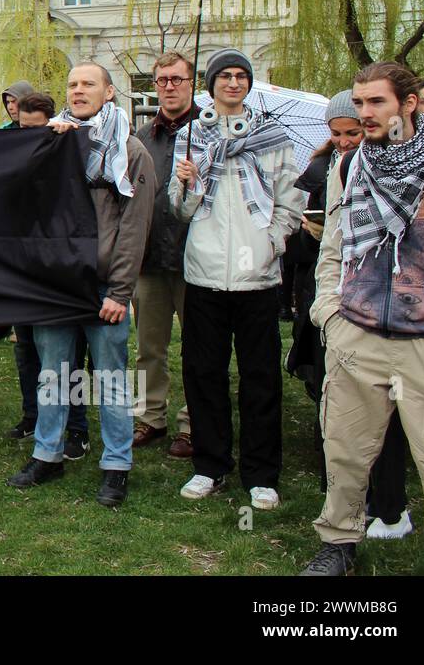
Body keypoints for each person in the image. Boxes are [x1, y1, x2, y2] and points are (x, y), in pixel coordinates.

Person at [302, 62, 424, 575]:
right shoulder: (352, 164)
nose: (364, 114)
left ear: (408, 104)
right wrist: (328, 310)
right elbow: (335, 245)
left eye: (376, 103)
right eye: (359, 103)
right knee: (342, 452)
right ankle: (338, 543)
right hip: (356, 332)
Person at [8, 64, 155, 507]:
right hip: (55, 283)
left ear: (109, 93)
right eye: (72, 84)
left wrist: (121, 291)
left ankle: (116, 465)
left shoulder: (130, 152)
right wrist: (44, 146)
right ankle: (48, 454)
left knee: (109, 378)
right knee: (53, 373)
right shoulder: (53, 145)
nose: (79, 90)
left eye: (89, 83)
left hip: (104, 286)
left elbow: (134, 227)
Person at [170, 49, 302, 510]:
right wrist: (187, 182)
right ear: (210, 85)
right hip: (204, 273)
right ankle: (210, 465)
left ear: (249, 84)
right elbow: (180, 209)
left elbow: (290, 200)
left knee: (260, 375)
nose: (232, 83)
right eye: (223, 76)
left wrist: (273, 242)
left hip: (258, 277)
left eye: (240, 76)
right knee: (204, 373)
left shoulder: (272, 136)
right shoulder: (192, 134)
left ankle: (262, 474)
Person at [0, 91, 91, 451]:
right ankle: (32, 415)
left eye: (36, 129)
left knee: (70, 351)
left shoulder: (68, 145)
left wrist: (63, 139)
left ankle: (78, 427)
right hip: (24, 263)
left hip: (61, 263)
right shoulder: (10, 149)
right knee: (26, 347)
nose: (29, 134)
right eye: (23, 128)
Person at [132, 52, 196, 458]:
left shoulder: (208, 131)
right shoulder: (141, 137)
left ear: (192, 83)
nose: (169, 86)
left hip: (196, 258)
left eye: (177, 79)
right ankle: (150, 416)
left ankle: (193, 422)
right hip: (149, 257)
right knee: (148, 346)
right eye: (162, 80)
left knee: (197, 345)